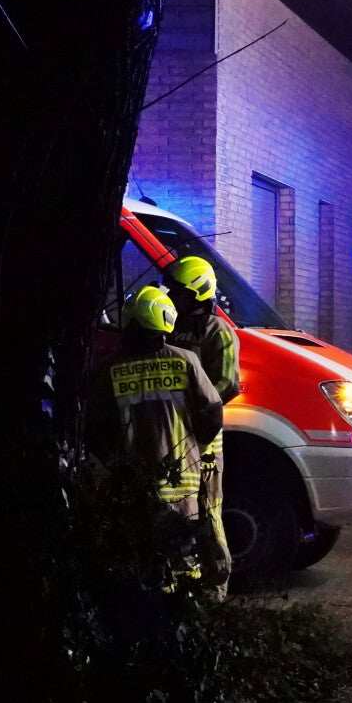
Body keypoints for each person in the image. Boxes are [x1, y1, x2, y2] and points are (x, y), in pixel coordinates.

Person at [88, 286, 224, 591]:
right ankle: (189, 615)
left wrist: (115, 465)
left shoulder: (109, 370)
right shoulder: (185, 360)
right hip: (182, 482)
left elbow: (94, 429)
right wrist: (195, 448)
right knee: (185, 555)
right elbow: (213, 411)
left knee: (142, 555)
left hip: (136, 483)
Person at [166, 256, 240, 598]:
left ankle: (216, 585)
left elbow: (225, 383)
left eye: (179, 290)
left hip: (204, 439)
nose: (173, 295)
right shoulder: (170, 324)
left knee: (208, 511)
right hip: (172, 435)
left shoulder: (217, 330)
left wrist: (194, 415)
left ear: (197, 290)